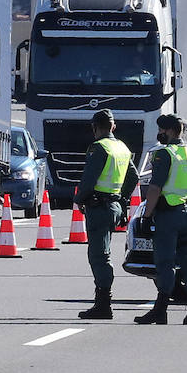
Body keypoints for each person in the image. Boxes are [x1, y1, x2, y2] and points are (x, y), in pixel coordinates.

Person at [134, 114, 187, 325]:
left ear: (170, 130)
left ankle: (160, 310)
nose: (160, 134)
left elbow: (155, 188)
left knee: (165, 262)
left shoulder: (165, 154)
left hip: (168, 214)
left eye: (161, 130)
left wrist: (146, 216)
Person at [73, 109, 138, 319]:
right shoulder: (121, 147)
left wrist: (79, 199)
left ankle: (103, 304)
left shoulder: (99, 148)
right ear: (113, 126)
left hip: (99, 207)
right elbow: (134, 176)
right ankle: (102, 302)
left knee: (99, 256)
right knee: (104, 253)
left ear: (95, 127)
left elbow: (89, 179)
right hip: (114, 205)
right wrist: (121, 197)